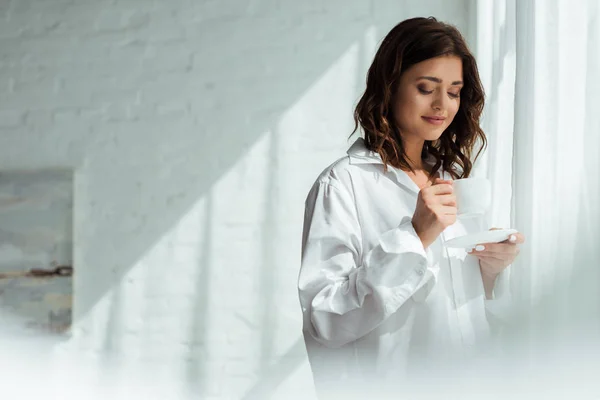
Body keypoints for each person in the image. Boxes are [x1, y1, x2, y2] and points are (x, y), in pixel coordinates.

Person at [297, 16, 525, 398]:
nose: (443, 104)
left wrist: (490, 272)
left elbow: (455, 311)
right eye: (426, 88)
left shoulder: (450, 180)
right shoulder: (343, 184)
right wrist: (414, 236)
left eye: (454, 92)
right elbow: (326, 320)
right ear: (390, 87)